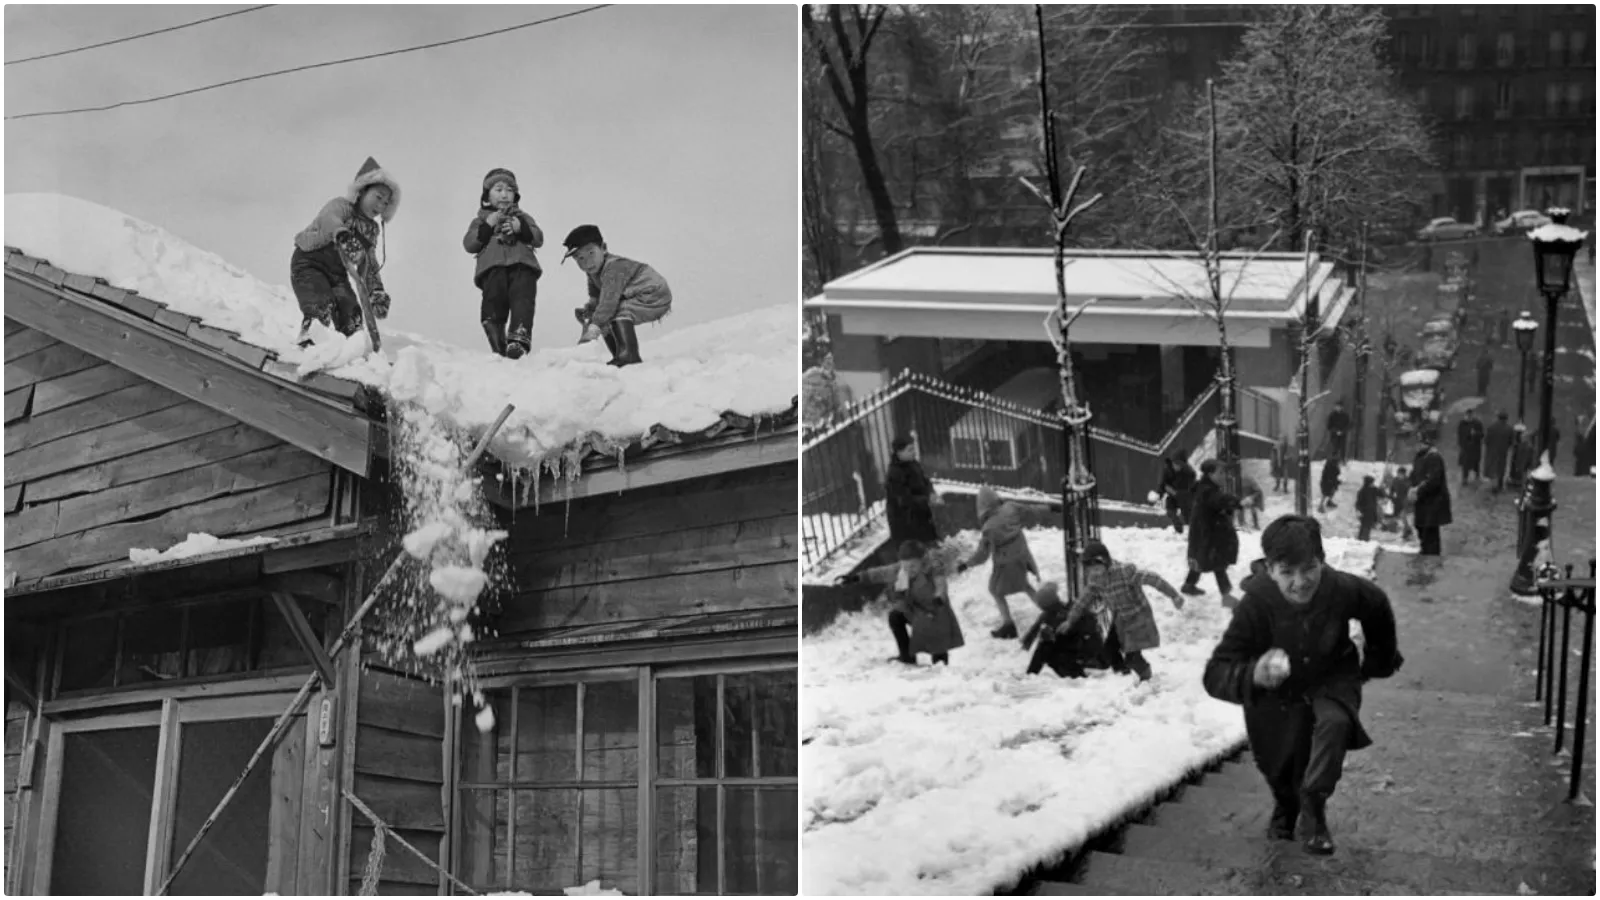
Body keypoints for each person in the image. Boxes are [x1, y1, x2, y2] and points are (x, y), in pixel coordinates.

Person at [1202, 515, 1403, 855]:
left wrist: (1377, 661)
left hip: (1332, 676)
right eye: (1287, 572)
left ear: (1321, 562)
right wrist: (1253, 674)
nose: (1300, 582)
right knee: (1281, 759)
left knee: (1335, 723)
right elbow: (1216, 673)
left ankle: (1314, 804)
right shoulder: (1256, 604)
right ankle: (1286, 805)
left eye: (1309, 568)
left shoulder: (1340, 588)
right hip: (1277, 695)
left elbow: (1376, 605)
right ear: (1269, 568)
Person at [290, 157, 400, 346]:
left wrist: (376, 291)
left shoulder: (371, 230)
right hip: (310, 262)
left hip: (337, 274)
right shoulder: (342, 206)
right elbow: (329, 219)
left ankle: (353, 350)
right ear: (362, 191)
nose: (380, 206)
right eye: (378, 197)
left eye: (386, 203)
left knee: (351, 311)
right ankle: (308, 342)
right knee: (321, 301)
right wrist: (342, 234)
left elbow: (369, 262)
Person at [1054, 541, 1184, 682]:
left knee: (1132, 656)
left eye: (1097, 568)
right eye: (1091, 570)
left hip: (1138, 617)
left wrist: (1174, 595)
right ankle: (1123, 673)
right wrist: (1070, 620)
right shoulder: (1095, 580)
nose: (1095, 573)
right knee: (1108, 648)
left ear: (1106, 562)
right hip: (1120, 618)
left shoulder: (1125, 572)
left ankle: (1146, 676)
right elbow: (1083, 600)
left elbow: (1153, 579)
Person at [837, 540, 964, 666]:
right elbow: (881, 573)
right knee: (895, 617)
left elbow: (941, 583)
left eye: (913, 566)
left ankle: (941, 665)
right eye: (905, 566)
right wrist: (857, 577)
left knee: (937, 643)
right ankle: (907, 656)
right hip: (915, 611)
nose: (909, 570)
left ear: (922, 560)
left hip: (935, 612)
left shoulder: (933, 568)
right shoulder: (901, 570)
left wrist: (939, 597)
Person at [564, 225, 673, 367]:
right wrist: (590, 310)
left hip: (654, 294)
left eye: (591, 253)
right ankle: (619, 354)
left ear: (603, 248)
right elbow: (596, 296)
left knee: (616, 311)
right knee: (603, 315)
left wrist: (593, 328)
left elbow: (608, 302)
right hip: (636, 295)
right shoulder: (593, 272)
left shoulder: (613, 268)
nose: (587, 262)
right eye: (580, 258)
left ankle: (629, 355)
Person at [464, 168, 545, 358]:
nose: (504, 194)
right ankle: (497, 341)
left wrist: (520, 227)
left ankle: (518, 340)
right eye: (498, 189)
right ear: (487, 196)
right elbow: (469, 244)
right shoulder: (480, 220)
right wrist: (488, 225)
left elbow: (538, 238)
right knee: (493, 303)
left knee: (523, 301)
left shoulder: (523, 217)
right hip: (492, 267)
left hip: (522, 265)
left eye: (509, 190)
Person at [957, 486, 1038, 639]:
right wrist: (1051, 508)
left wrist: (967, 564)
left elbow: (982, 555)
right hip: (1021, 555)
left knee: (995, 590)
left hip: (1005, 562)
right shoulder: (1011, 507)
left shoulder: (989, 528)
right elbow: (1030, 510)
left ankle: (1008, 625)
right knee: (1025, 585)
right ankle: (1049, 610)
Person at [1021, 582, 1115, 679]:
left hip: (1088, 656)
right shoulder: (1069, 609)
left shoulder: (1057, 616)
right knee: (1047, 646)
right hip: (1090, 655)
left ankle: (1030, 675)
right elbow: (1032, 634)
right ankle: (1030, 675)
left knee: (1046, 647)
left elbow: (1032, 637)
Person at [1181, 459, 1241, 607]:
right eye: (1220, 472)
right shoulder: (1207, 490)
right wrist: (1236, 502)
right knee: (1217, 563)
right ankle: (1226, 596)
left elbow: (1216, 504)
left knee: (1201, 560)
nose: (1223, 476)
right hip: (1207, 534)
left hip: (1204, 533)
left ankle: (1188, 585)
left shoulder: (1205, 487)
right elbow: (1218, 500)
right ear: (1210, 474)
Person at [884, 436, 938, 552]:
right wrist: (927, 499)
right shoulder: (895, 474)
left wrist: (931, 492)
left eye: (913, 449)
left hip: (920, 514)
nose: (914, 452)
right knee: (915, 551)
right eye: (909, 450)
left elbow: (924, 480)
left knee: (929, 545)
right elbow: (904, 500)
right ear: (899, 452)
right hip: (905, 521)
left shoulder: (913, 463)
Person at [1408, 430, 1452, 556]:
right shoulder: (1420, 456)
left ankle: (1431, 554)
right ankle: (1425, 550)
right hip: (1423, 500)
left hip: (1433, 501)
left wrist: (1418, 489)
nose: (1417, 445)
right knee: (1420, 526)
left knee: (1430, 529)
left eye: (1419, 442)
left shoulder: (1433, 457)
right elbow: (1416, 473)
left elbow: (1433, 480)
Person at [1157, 451, 1197, 534]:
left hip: (1185, 497)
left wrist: (1176, 493)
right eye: (1174, 463)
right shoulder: (1168, 471)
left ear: (1183, 465)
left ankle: (1193, 530)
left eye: (1179, 464)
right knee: (1170, 509)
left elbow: (1190, 490)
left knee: (1188, 516)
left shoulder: (1189, 473)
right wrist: (1159, 494)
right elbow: (1163, 484)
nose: (1176, 466)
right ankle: (1178, 528)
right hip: (1173, 496)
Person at [1483, 411, 1515, 492]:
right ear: (1506, 419)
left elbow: (1486, 440)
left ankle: (1493, 486)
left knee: (1492, 468)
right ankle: (1500, 485)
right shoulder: (1509, 429)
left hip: (1492, 452)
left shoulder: (1491, 427)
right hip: (1502, 452)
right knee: (1501, 469)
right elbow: (1511, 443)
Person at [1386, 467, 1415, 541]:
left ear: (1404, 474)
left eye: (1401, 474)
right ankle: (1407, 532)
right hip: (1398, 501)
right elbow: (1392, 489)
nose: (1399, 475)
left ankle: (1407, 533)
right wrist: (1390, 496)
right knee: (1402, 517)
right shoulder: (1395, 480)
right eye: (1398, 474)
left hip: (1407, 501)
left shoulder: (1408, 481)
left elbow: (1411, 491)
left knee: (1404, 516)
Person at [1457, 408, 1485, 484]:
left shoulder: (1477, 423)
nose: (1468, 417)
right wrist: (1461, 444)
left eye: (1470, 415)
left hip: (1475, 448)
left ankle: (1477, 476)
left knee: (1476, 463)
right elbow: (1460, 435)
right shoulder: (1462, 423)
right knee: (1465, 464)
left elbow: (1482, 434)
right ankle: (1465, 479)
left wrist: (1475, 434)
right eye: (1467, 415)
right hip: (1466, 448)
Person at [1355, 475, 1381, 541]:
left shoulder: (1370, 490)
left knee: (1364, 526)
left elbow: (1381, 494)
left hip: (1368, 511)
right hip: (1367, 511)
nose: (1373, 484)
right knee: (1366, 526)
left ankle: (1360, 539)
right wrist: (1358, 510)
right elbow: (1358, 502)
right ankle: (1365, 540)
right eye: (1372, 483)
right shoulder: (1364, 491)